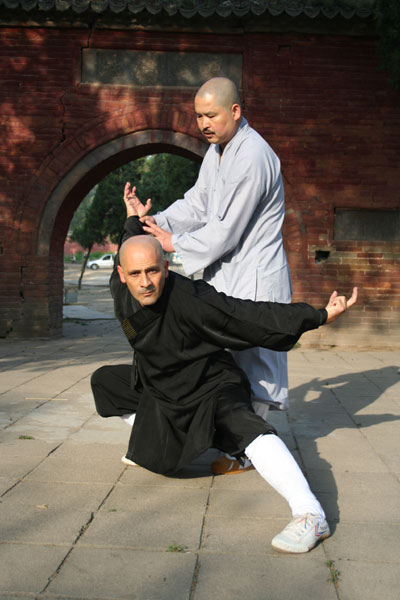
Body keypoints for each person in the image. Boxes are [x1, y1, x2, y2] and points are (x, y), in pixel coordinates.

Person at [91, 196, 358, 553]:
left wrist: (318, 316)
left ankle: (310, 514)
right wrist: (132, 220)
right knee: (104, 381)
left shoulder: (192, 299)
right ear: (121, 274)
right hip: (163, 389)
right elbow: (131, 244)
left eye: (153, 271)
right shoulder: (121, 289)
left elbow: (249, 316)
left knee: (247, 427)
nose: (145, 283)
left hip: (211, 384)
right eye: (135, 274)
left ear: (166, 268)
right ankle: (166, 434)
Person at [126, 76, 292, 474]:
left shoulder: (253, 156)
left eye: (211, 115)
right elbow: (197, 205)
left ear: (235, 111)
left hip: (254, 276)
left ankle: (247, 451)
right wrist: (154, 223)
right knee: (219, 359)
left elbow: (225, 229)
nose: (203, 123)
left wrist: (172, 244)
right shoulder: (217, 153)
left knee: (256, 366)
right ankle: (222, 435)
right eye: (199, 116)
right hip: (226, 274)